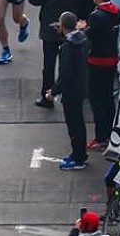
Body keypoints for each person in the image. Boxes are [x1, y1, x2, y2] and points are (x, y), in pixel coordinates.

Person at [29, 0, 82, 109]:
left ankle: (47, 95)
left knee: (49, 63)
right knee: (70, 62)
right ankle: (68, 92)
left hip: (50, 25)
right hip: (71, 24)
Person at [81, 0, 120, 152]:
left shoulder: (96, 16)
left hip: (97, 61)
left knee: (97, 100)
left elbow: (89, 35)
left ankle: (101, 137)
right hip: (111, 59)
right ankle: (111, 132)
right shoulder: (116, 12)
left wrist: (82, 29)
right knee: (107, 98)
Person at [46, 11, 89, 171]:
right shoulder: (82, 39)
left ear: (62, 25)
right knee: (78, 122)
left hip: (71, 90)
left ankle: (78, 158)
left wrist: (53, 92)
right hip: (80, 86)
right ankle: (79, 154)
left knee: (73, 124)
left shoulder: (67, 47)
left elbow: (65, 74)